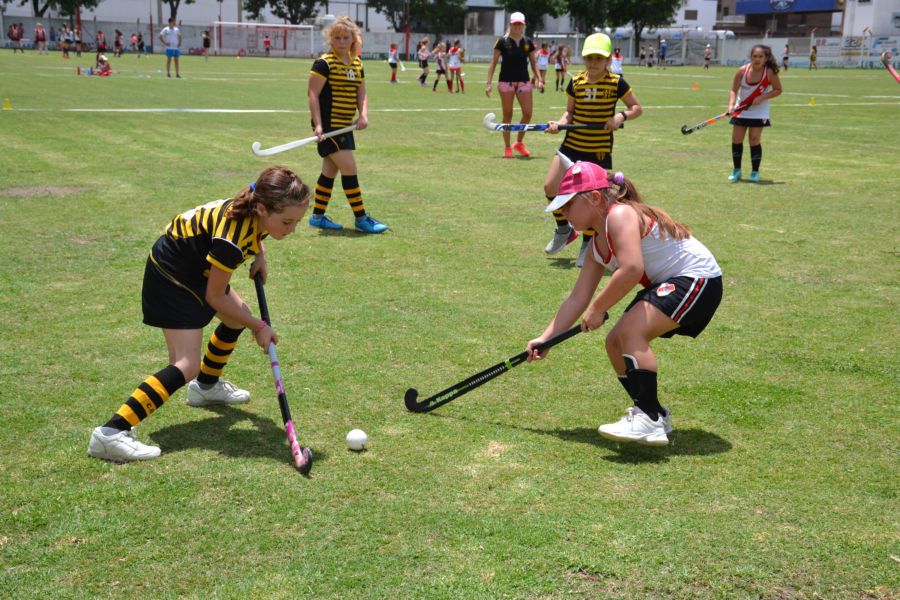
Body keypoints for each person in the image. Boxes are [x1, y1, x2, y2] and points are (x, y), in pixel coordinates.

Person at [87, 166, 311, 463]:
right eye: (286, 221)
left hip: (196, 268)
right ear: (261, 209)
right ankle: (110, 433)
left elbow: (256, 221)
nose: (291, 229)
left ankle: (205, 388)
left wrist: (260, 254)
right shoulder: (232, 238)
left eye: (297, 222)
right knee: (186, 363)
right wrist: (259, 326)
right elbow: (214, 296)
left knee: (234, 318)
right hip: (172, 274)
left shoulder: (257, 205)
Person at [527, 161, 723, 446]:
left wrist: (598, 308)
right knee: (615, 341)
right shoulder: (596, 247)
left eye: (568, 205)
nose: (563, 213)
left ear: (594, 198)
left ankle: (649, 419)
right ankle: (653, 412)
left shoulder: (620, 215)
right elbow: (576, 298)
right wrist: (546, 338)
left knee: (630, 334)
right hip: (673, 283)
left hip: (698, 280)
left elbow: (631, 269)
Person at [543, 33, 642, 268]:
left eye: (598, 58)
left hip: (597, 149)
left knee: (592, 201)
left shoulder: (617, 82)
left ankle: (589, 244)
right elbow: (569, 113)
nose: (593, 62)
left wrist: (620, 116)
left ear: (608, 59)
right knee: (550, 186)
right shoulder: (576, 81)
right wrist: (559, 123)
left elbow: (637, 107)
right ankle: (564, 228)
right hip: (572, 144)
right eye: (589, 58)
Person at [307, 16, 388, 234]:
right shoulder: (324, 63)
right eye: (337, 37)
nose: (341, 41)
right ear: (330, 39)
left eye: (346, 37)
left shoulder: (357, 63)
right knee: (349, 168)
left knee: (330, 170)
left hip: (345, 126)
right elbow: (312, 94)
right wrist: (317, 125)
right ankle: (361, 218)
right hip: (329, 127)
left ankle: (317, 216)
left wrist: (363, 115)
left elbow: (361, 92)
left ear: (353, 39)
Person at [485, 11, 542, 158]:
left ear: (523, 26)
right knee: (508, 115)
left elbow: (534, 63)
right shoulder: (502, 42)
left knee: (528, 114)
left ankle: (519, 143)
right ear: (510, 24)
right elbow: (493, 63)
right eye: (515, 24)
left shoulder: (528, 42)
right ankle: (507, 147)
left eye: (520, 24)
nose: (517, 27)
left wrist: (540, 79)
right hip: (506, 82)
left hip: (524, 81)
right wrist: (488, 83)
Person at [727, 44, 782, 183]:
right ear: (750, 57)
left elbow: (778, 90)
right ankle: (736, 170)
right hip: (742, 109)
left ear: (766, 58)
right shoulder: (741, 71)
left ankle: (755, 172)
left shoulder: (769, 73)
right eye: (754, 56)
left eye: (760, 56)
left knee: (754, 139)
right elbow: (733, 90)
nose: (757, 59)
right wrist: (731, 105)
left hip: (759, 110)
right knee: (736, 139)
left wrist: (762, 97)